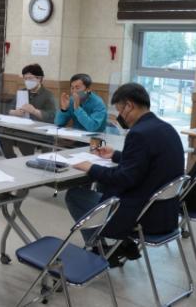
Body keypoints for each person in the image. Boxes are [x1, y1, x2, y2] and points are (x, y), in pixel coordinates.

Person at [66, 83, 184, 265]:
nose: (120, 115)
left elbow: (124, 178)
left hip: (144, 216)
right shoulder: (166, 128)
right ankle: (120, 244)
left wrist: (90, 167)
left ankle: (100, 249)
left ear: (129, 105)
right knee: (104, 185)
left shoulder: (138, 134)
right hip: (166, 213)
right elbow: (148, 162)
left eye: (120, 110)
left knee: (74, 195)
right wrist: (115, 155)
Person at [0, 64, 57, 158]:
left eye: (30, 78)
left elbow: (52, 116)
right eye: (25, 79)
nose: (27, 81)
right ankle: (11, 158)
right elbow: (8, 109)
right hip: (22, 126)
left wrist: (34, 111)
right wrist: (14, 112)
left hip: (39, 129)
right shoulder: (22, 92)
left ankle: (27, 159)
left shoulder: (48, 95)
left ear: (39, 78)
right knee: (2, 132)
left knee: (24, 138)